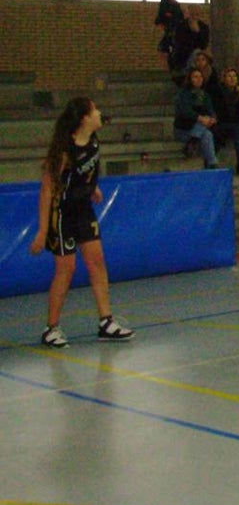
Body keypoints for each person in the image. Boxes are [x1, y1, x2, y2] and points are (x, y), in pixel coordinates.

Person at [30, 97, 134, 347]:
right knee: (66, 270)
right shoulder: (64, 151)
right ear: (84, 118)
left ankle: (106, 322)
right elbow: (46, 190)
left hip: (84, 211)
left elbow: (85, 172)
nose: (99, 113)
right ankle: (51, 328)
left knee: (97, 263)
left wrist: (93, 186)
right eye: (95, 109)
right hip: (62, 215)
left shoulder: (94, 141)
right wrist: (43, 230)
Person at [173, 68, 220, 169]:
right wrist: (200, 118)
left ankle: (211, 163)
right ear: (190, 79)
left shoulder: (205, 95)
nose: (199, 79)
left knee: (207, 134)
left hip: (199, 130)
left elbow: (211, 111)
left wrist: (212, 119)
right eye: (195, 77)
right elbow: (185, 112)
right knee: (203, 126)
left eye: (200, 77)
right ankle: (212, 163)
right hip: (183, 129)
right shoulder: (183, 94)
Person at [153, 0, 182, 64]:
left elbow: (161, 15)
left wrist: (157, 22)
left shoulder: (165, 0)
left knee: (163, 48)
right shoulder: (171, 0)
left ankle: (169, 66)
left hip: (172, 28)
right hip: (174, 28)